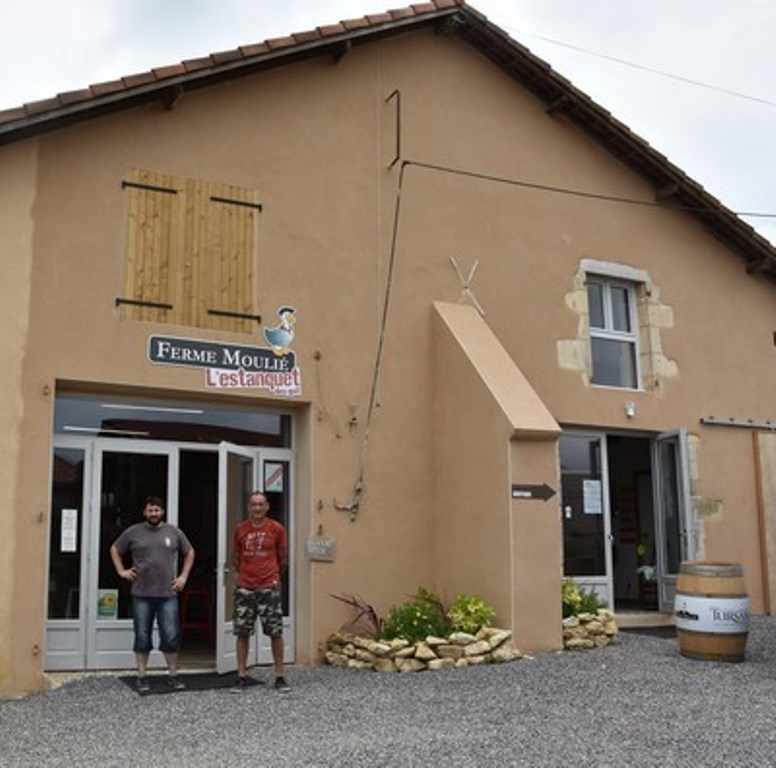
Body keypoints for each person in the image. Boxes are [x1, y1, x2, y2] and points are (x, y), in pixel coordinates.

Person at [110, 496, 195, 693]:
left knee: (171, 636)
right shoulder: (133, 532)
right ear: (144, 512)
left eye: (157, 510)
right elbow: (114, 549)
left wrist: (183, 577)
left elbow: (190, 552)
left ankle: (173, 675)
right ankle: (141, 677)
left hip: (168, 594)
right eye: (150, 510)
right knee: (142, 636)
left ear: (162, 512)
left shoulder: (173, 532)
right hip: (141, 593)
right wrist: (121, 571)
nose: (153, 514)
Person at [231, 490, 290, 693]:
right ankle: (240, 676)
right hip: (245, 586)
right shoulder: (240, 529)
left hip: (269, 586)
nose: (257, 508)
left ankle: (280, 676)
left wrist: (271, 576)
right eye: (253, 504)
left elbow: (283, 558)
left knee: (275, 632)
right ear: (249, 507)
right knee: (242, 632)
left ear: (267, 507)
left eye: (260, 504)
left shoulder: (277, 528)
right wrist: (247, 576)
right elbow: (236, 557)